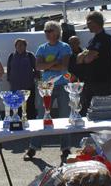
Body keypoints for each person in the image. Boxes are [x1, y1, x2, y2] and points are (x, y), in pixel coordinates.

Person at [24, 21, 72, 163]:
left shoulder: (65, 47)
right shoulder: (41, 48)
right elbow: (38, 66)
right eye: (45, 30)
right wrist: (53, 63)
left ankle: (66, 149)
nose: (47, 33)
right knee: (41, 116)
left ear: (57, 32)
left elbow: (64, 66)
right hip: (46, 85)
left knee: (65, 116)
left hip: (63, 84)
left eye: (49, 30)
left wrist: (47, 65)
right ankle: (33, 147)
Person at [77, 11, 111, 114]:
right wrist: (86, 55)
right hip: (90, 82)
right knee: (87, 112)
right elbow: (79, 59)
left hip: (103, 83)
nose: (87, 25)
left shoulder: (105, 38)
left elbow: (87, 59)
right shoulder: (92, 40)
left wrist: (85, 54)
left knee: (103, 112)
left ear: (96, 22)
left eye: (89, 22)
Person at [6, 38, 38, 120]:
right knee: (16, 108)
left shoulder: (30, 56)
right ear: (15, 46)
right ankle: (17, 122)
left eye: (22, 45)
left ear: (25, 46)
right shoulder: (11, 56)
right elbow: (9, 70)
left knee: (30, 107)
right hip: (15, 88)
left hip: (28, 87)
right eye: (17, 45)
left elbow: (37, 68)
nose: (19, 47)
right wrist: (10, 80)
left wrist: (36, 78)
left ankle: (32, 122)